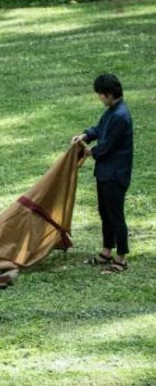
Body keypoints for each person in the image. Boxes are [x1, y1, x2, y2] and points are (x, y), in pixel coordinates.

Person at [72, 74, 133, 273]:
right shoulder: (111, 111)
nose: (99, 98)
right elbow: (99, 129)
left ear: (109, 95)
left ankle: (121, 259)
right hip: (105, 173)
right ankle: (107, 252)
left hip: (115, 175)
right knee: (105, 213)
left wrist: (89, 151)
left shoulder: (120, 116)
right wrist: (85, 135)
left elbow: (106, 147)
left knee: (115, 215)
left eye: (100, 95)